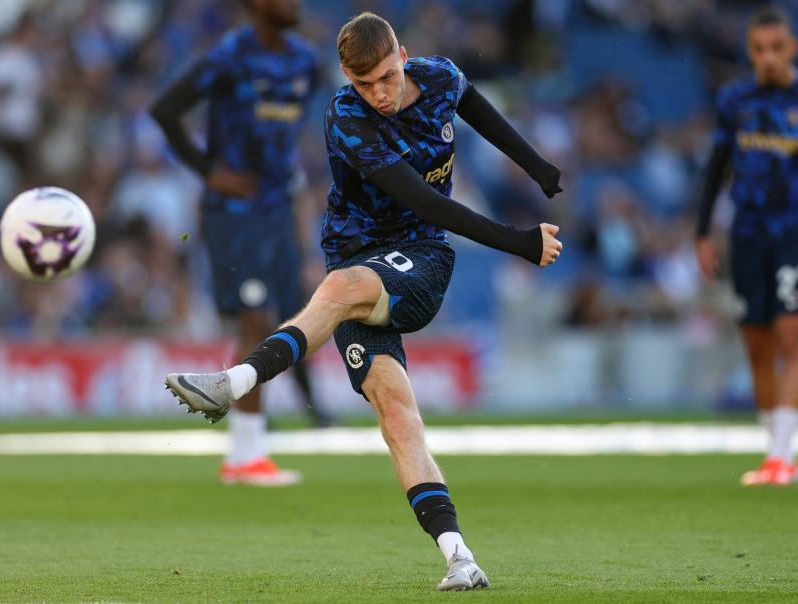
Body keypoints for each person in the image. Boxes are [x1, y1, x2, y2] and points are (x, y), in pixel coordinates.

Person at [165, 11, 563, 591]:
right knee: (396, 415)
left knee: (341, 288)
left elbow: (477, 113)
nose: (377, 94)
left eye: (383, 78)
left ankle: (235, 383)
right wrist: (519, 243)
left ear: (402, 55)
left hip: (420, 260)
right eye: (363, 84)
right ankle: (460, 557)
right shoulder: (346, 118)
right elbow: (426, 199)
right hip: (359, 262)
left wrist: (538, 168)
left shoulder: (442, 77)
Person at [150, 0, 331, 487]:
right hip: (233, 212)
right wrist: (211, 172)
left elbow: (293, 132)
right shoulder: (230, 55)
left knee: (287, 315)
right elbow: (164, 110)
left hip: (277, 207)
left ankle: (255, 444)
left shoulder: (306, 60)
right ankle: (246, 454)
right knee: (255, 316)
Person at [695, 6, 798, 486]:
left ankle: (784, 454)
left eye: (777, 49)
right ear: (750, 51)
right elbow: (715, 169)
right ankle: (776, 451)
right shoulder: (734, 101)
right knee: (757, 344)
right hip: (747, 233)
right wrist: (703, 233)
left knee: (792, 336)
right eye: (760, 50)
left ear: (793, 49)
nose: (768, 58)